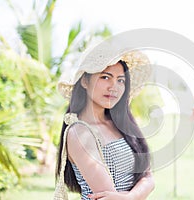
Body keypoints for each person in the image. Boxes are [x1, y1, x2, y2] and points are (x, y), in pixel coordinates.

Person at [55, 42, 154, 200]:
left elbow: (148, 177)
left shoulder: (120, 124)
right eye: (105, 77)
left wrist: (130, 197)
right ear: (85, 81)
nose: (114, 87)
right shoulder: (79, 133)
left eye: (120, 80)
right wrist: (136, 194)